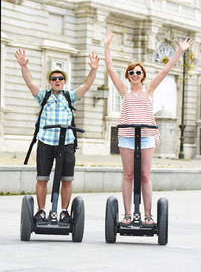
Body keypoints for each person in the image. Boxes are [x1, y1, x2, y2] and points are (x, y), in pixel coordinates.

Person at [104, 32, 193, 225]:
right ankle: (127, 215)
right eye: (131, 72)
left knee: (145, 175)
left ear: (143, 75)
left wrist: (179, 51)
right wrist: (107, 46)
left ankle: (148, 214)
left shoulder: (149, 89)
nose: (135, 75)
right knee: (128, 174)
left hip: (146, 136)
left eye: (138, 72)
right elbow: (110, 69)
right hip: (127, 136)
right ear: (128, 76)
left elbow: (166, 69)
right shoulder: (123, 90)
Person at [15, 49, 99, 222]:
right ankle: (40, 211)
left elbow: (86, 86)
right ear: (50, 82)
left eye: (60, 78)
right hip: (45, 142)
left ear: (65, 81)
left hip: (66, 143)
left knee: (67, 180)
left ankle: (64, 211)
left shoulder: (70, 97)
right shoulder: (43, 96)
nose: (57, 81)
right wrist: (24, 66)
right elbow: (29, 82)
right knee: (42, 178)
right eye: (54, 79)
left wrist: (93, 70)